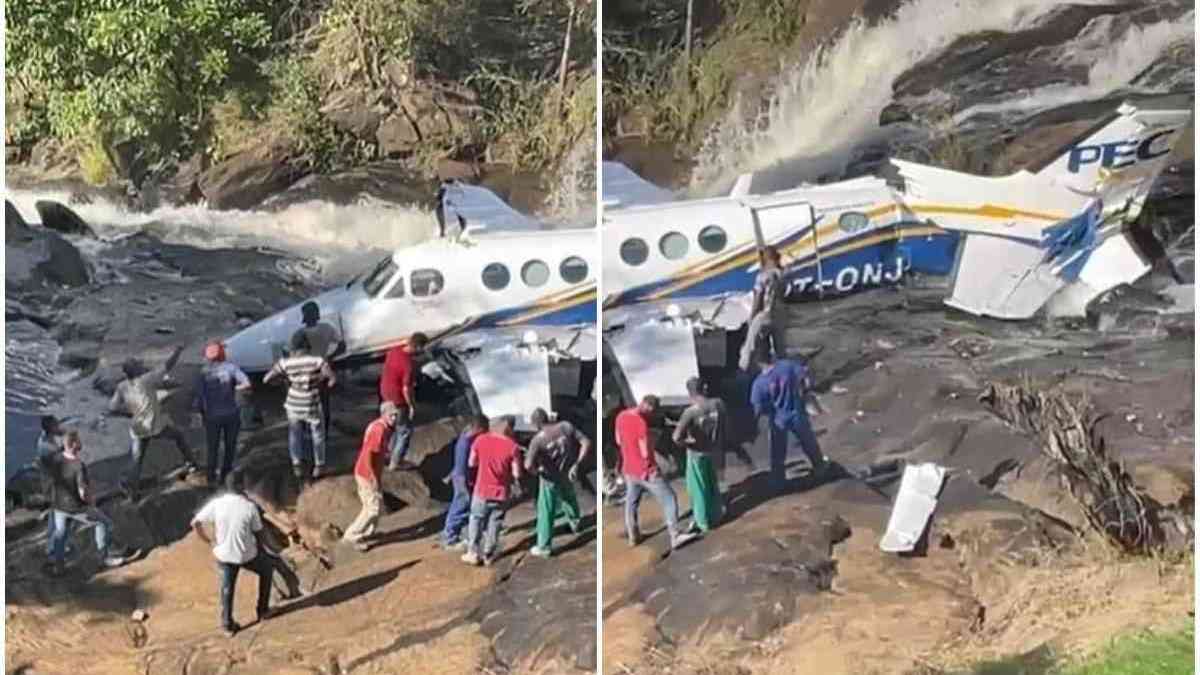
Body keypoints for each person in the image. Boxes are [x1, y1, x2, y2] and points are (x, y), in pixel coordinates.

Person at [190, 472, 277, 637]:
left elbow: (195, 523)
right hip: (246, 554)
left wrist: (208, 541)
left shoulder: (217, 504)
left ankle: (227, 624)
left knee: (227, 588)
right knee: (266, 569)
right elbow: (259, 533)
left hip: (223, 554)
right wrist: (263, 550)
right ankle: (262, 610)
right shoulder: (249, 507)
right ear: (240, 487)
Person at [109, 345, 197, 500]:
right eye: (138, 364)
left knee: (137, 460)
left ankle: (132, 490)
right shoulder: (146, 380)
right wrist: (178, 351)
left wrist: (130, 411)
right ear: (135, 370)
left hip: (138, 427)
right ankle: (191, 463)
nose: (141, 365)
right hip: (155, 425)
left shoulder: (122, 386)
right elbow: (167, 366)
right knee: (178, 436)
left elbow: (113, 407)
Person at [41, 431, 135, 576]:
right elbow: (82, 492)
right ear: (73, 445)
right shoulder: (78, 466)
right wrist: (91, 503)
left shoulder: (56, 460)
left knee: (61, 533)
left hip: (58, 506)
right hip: (76, 507)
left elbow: (50, 480)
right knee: (104, 524)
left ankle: (58, 565)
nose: (80, 442)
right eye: (78, 441)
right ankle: (103, 558)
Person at [615, 396, 697, 549]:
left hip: (629, 469)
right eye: (653, 411)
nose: (652, 415)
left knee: (631, 502)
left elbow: (618, 441)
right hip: (646, 471)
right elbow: (645, 452)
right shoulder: (641, 424)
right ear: (648, 406)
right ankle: (675, 535)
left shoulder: (621, 416)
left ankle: (633, 536)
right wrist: (652, 446)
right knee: (669, 498)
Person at [750, 349, 828, 492]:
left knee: (778, 451)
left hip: (778, 419)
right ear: (771, 356)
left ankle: (778, 481)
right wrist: (805, 390)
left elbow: (757, 408)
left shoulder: (759, 384)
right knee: (808, 441)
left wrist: (753, 427)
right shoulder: (787, 366)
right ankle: (819, 467)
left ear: (758, 363)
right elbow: (805, 374)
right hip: (796, 412)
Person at [264, 333, 337, 481]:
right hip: (312, 404)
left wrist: (283, 382)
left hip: (293, 404)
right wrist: (322, 384)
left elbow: (266, 379)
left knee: (294, 434)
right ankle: (319, 466)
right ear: (306, 346)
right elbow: (332, 379)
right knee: (317, 435)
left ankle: (296, 464)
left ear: (293, 348)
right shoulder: (317, 360)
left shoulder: (285, 363)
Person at [525, 408, 590, 558]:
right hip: (568, 471)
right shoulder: (565, 426)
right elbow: (585, 442)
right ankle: (575, 523)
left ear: (536, 424)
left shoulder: (537, 440)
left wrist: (537, 472)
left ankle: (544, 546)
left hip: (550, 478)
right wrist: (577, 464)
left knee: (546, 511)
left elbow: (528, 465)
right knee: (569, 496)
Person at [461, 415, 523, 566]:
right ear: (509, 429)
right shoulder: (513, 447)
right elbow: (517, 474)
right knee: (495, 522)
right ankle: (489, 554)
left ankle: (473, 552)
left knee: (476, 519)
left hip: (481, 490)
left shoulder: (480, 440)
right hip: (501, 492)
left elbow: (471, 462)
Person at [672, 377, 727, 533]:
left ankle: (703, 522)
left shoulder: (690, 412)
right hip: (714, 450)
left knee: (698, 489)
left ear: (690, 393)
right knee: (712, 485)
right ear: (704, 388)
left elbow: (676, 437)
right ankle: (716, 514)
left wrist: (687, 442)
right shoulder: (718, 404)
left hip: (697, 453)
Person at [193, 341, 252, 488]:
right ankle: (226, 475)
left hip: (212, 417)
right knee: (230, 445)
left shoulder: (203, 373)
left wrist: (200, 413)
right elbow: (247, 384)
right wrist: (236, 388)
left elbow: (199, 398)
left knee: (212, 447)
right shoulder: (231, 368)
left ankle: (211, 477)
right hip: (231, 414)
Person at [342, 402, 400, 552]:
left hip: (369, 471)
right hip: (366, 473)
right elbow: (369, 454)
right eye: (391, 415)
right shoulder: (379, 430)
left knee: (376, 504)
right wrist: (373, 477)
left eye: (395, 415)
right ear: (383, 414)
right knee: (372, 509)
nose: (394, 418)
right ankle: (352, 535)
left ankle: (366, 533)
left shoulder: (380, 427)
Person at [292, 302, 345, 434]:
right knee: (324, 403)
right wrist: (330, 357)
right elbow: (342, 346)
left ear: (304, 316)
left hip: (305, 373)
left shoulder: (299, 334)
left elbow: (294, 355)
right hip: (323, 370)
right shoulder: (327, 328)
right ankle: (324, 432)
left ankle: (307, 431)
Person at [379, 333, 429, 471]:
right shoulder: (408, 364)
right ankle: (396, 462)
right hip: (398, 401)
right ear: (417, 346)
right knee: (404, 431)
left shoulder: (394, 350)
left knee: (390, 427)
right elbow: (406, 388)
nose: (422, 351)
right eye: (422, 348)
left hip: (385, 394)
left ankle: (387, 455)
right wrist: (411, 405)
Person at [441, 414, 489, 549]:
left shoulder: (466, 437)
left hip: (460, 475)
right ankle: (450, 538)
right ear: (479, 429)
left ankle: (457, 534)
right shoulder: (466, 441)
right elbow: (465, 464)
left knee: (463, 504)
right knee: (461, 505)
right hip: (462, 477)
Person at [738, 246, 787, 371]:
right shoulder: (782, 274)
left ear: (765, 259)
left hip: (764, 315)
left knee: (749, 345)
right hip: (779, 316)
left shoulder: (762, 277)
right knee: (780, 348)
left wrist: (751, 318)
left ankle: (745, 369)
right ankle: (783, 372)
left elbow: (758, 299)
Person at [36, 415, 66, 558]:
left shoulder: (46, 438)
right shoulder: (47, 446)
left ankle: (52, 545)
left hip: (51, 482)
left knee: (54, 515)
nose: (59, 426)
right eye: (56, 424)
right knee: (58, 516)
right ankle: (53, 548)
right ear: (51, 428)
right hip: (53, 485)